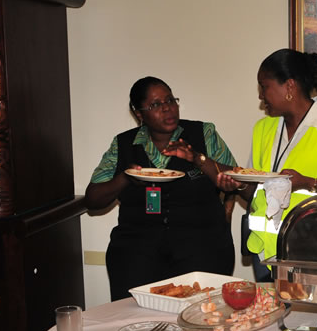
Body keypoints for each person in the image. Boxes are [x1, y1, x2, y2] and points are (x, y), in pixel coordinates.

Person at [220, 49, 317, 280]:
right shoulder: (263, 128)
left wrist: (307, 183)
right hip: (265, 251)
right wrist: (238, 185)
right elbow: (256, 191)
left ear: (289, 87)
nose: (261, 95)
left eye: (264, 86)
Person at [85, 77, 239, 301]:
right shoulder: (123, 144)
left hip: (202, 250)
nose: (167, 107)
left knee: (203, 320)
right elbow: (92, 199)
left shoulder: (203, 134)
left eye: (170, 100)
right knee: (139, 325)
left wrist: (198, 159)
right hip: (137, 254)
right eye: (156, 104)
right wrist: (125, 178)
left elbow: (237, 179)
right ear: (139, 113)